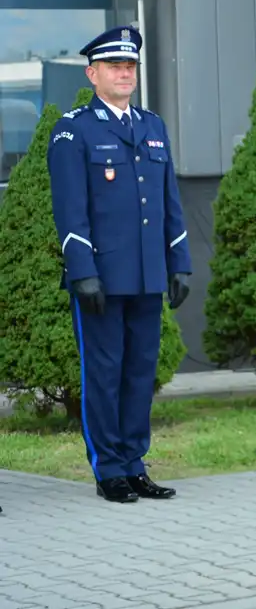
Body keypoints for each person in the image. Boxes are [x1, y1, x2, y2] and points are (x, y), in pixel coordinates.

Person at [47, 25, 192, 504]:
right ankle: (108, 467)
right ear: (93, 74)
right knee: (104, 374)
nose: (125, 73)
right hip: (103, 278)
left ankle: (134, 463)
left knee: (138, 373)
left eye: (130, 66)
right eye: (115, 66)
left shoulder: (151, 127)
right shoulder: (75, 129)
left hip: (148, 274)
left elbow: (169, 200)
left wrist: (180, 260)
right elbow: (71, 210)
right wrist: (82, 270)